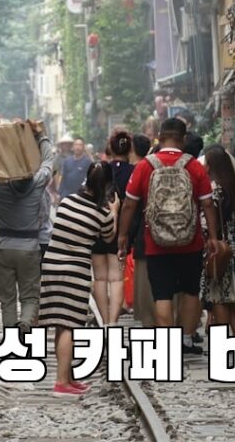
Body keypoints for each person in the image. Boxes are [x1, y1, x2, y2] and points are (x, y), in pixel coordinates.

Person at [118, 118, 219, 356]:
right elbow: (208, 204)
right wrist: (213, 237)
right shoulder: (194, 166)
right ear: (183, 139)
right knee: (191, 291)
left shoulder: (145, 166)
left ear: (160, 138)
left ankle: (167, 343)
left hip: (156, 243)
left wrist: (122, 235)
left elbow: (129, 205)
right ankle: (186, 339)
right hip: (190, 242)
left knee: (162, 294)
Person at [39, 162, 117, 398]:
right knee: (70, 325)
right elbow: (109, 238)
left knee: (61, 323)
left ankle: (67, 377)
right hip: (75, 270)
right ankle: (61, 383)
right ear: (107, 185)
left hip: (51, 265)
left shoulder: (68, 201)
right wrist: (114, 210)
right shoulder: (103, 214)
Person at [0, 122, 55, 334]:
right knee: (30, 296)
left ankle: (10, 333)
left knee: (7, 299)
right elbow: (48, 161)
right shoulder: (37, 183)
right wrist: (41, 136)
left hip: (3, 247)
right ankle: (26, 322)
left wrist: (5, 139)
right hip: (29, 248)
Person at [199, 145, 235, 336]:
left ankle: (222, 339)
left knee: (219, 297)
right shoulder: (234, 186)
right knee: (230, 297)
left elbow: (207, 221)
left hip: (218, 247)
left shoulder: (213, 189)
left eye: (206, 162)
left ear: (212, 165)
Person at [91, 131, 135, 325]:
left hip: (98, 228)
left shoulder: (100, 169)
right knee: (117, 279)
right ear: (129, 149)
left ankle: (104, 319)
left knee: (100, 278)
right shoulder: (134, 171)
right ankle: (113, 321)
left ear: (110, 148)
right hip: (123, 232)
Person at [129, 134, 155, 328]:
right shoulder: (155, 167)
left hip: (144, 237)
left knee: (147, 288)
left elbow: (131, 206)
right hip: (177, 237)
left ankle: (151, 327)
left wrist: (125, 236)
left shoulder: (141, 169)